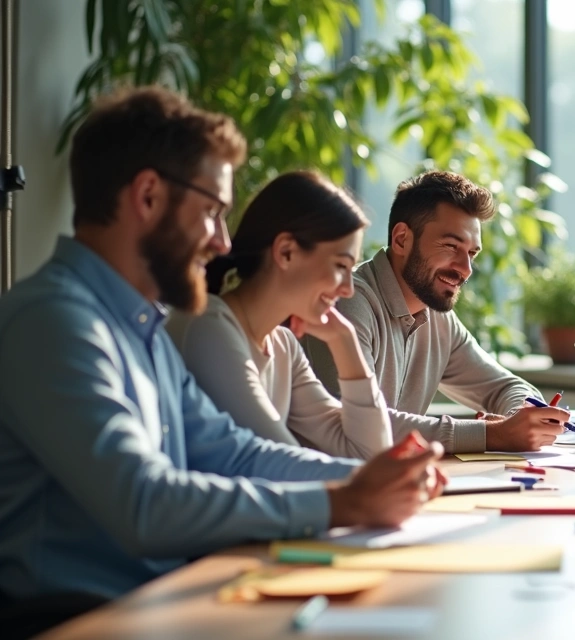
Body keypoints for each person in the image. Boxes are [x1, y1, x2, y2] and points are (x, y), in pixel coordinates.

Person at [0, 87, 445, 637]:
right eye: (212, 211)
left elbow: (234, 453)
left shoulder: (145, 330)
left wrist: (372, 479)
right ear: (148, 197)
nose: (222, 241)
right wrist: (343, 501)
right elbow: (144, 502)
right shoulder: (53, 322)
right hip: (80, 620)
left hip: (163, 603)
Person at [304, 171, 568, 453]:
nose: (465, 269)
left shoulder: (438, 318)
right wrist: (491, 434)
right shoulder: (346, 302)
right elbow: (356, 424)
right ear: (402, 239)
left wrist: (522, 416)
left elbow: (506, 387)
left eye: (472, 253)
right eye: (451, 246)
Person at [166, 171, 395, 459]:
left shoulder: (283, 345)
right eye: (340, 266)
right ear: (286, 252)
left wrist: (344, 341)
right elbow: (278, 462)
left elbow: (369, 454)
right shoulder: (208, 328)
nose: (348, 290)